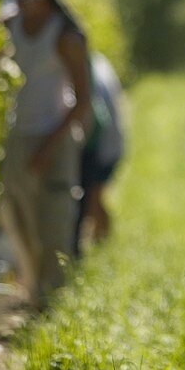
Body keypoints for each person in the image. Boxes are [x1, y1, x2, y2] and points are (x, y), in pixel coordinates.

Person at [0, 0, 91, 309]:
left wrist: (48, 148)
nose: (21, 3)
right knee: (16, 215)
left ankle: (51, 306)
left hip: (56, 138)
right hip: (19, 133)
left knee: (52, 223)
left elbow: (81, 100)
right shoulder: (9, 25)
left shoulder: (65, 35)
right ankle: (32, 289)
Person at [76, 51, 125, 253]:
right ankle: (101, 245)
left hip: (100, 144)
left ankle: (102, 246)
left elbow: (97, 118)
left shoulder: (87, 71)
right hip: (107, 142)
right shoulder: (98, 63)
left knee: (92, 197)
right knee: (95, 197)